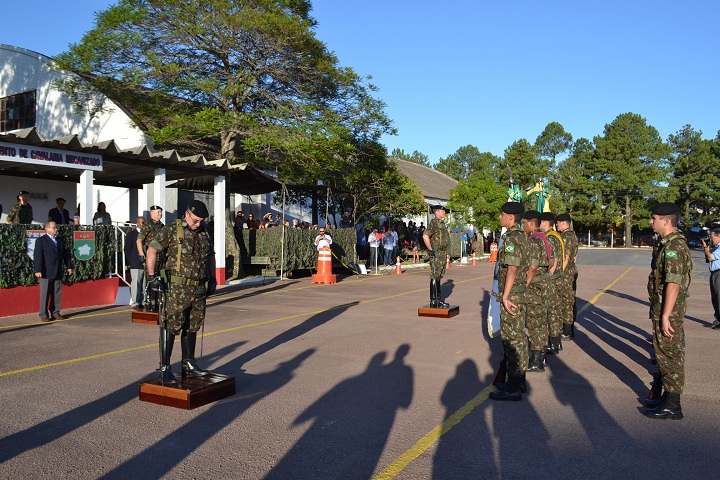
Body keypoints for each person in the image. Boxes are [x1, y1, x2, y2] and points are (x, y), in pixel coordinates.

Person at [145, 200, 217, 384]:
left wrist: (213, 279)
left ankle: (188, 363)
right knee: (170, 326)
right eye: (195, 220)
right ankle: (165, 367)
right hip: (177, 289)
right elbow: (152, 249)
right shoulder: (172, 230)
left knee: (192, 325)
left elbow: (211, 257)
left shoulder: (205, 233)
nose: (198, 223)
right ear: (187, 214)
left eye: (201, 220)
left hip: (198, 287)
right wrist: (152, 276)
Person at [644, 202, 692, 420]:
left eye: (653, 218)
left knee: (670, 355)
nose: (650, 221)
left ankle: (674, 405)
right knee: (664, 355)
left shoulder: (673, 247)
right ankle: (667, 397)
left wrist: (665, 316)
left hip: (668, 310)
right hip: (664, 308)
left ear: (665, 220)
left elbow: (673, 283)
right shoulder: (667, 244)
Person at [489, 201, 530, 401]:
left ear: (511, 218)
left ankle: (513, 387)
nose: (500, 217)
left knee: (512, 340)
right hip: (519, 293)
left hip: (512, 295)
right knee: (519, 338)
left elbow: (512, 269)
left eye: (502, 214)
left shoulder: (513, 238)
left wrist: (505, 296)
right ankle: (519, 381)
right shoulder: (524, 237)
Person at [523, 210, 552, 373]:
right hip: (544, 285)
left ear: (531, 223)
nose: (523, 226)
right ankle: (542, 356)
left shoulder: (534, 241)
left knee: (535, 324)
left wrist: (524, 286)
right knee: (541, 323)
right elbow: (552, 260)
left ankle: (536, 361)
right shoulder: (544, 239)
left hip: (535, 288)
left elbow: (532, 267)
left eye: (524, 223)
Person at [33, 221, 73, 321]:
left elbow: (65, 254)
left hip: (58, 270)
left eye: (56, 228)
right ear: (47, 228)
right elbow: (37, 256)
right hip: (46, 271)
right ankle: (43, 314)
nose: (56, 229)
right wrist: (37, 269)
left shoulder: (60, 240)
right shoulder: (41, 240)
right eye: (53, 228)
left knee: (57, 293)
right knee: (45, 293)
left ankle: (55, 312)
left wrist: (69, 266)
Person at [540, 212, 564, 354]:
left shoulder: (549, 238)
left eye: (541, 222)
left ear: (546, 223)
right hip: (558, 277)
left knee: (551, 311)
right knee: (555, 310)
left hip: (552, 279)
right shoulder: (556, 236)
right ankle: (556, 341)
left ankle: (553, 343)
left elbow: (552, 260)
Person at [556, 213, 579, 339]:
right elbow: (575, 256)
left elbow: (566, 257)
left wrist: (560, 272)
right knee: (570, 299)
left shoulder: (566, 236)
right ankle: (569, 328)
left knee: (566, 300)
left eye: (558, 223)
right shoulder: (573, 235)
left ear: (563, 223)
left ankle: (567, 331)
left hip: (566, 272)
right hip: (571, 269)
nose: (556, 225)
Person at [422, 205, 450, 308]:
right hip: (436, 252)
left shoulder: (442, 224)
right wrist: (430, 249)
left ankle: (439, 299)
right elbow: (425, 236)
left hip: (442, 252)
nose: (444, 213)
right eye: (442, 211)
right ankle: (433, 300)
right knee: (434, 275)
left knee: (439, 275)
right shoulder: (434, 223)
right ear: (437, 212)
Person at [137, 205, 165, 310]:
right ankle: (149, 304)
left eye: (160, 212)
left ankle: (159, 303)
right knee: (150, 281)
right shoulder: (147, 226)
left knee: (161, 281)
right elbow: (139, 240)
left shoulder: (162, 226)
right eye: (157, 212)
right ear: (151, 213)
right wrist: (141, 254)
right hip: (150, 259)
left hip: (161, 259)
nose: (160, 214)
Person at [125, 216, 146, 312]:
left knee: (144, 284)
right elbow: (128, 249)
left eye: (144, 223)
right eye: (141, 223)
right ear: (137, 223)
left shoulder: (147, 234)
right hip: (135, 262)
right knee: (136, 283)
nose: (143, 225)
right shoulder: (132, 234)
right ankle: (135, 302)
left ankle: (144, 302)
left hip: (146, 263)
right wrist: (130, 261)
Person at [701, 228, 720, 329]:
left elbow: (710, 258)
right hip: (714, 273)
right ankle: (718, 320)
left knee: (719, 297)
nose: (710, 239)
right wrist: (707, 248)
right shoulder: (716, 247)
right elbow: (708, 259)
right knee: (715, 298)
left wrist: (705, 247)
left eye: (712, 237)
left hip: (718, 273)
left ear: (718, 237)